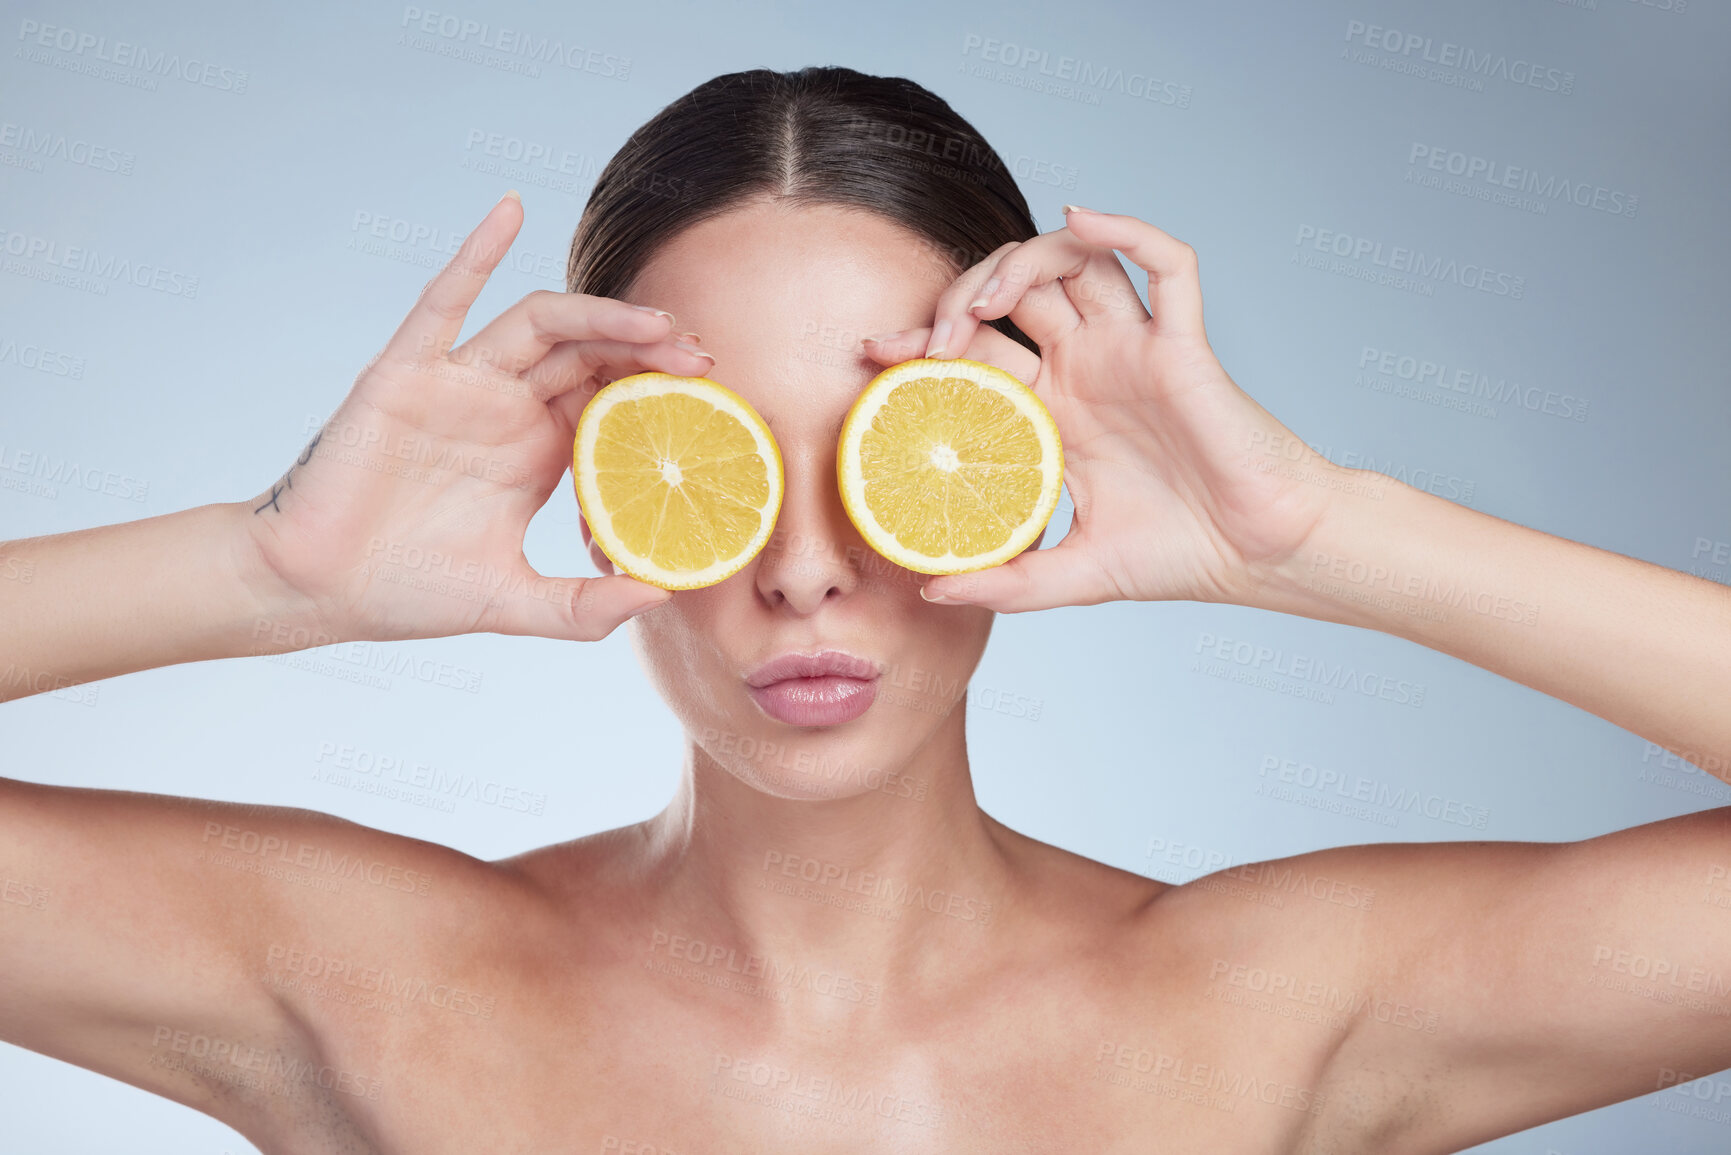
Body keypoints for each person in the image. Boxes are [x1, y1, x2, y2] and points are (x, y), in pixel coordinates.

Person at [2, 65, 1727, 1154]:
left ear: (1024, 462)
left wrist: (1325, 534)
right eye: (717, 460)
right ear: (598, 477)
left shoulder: (1268, 1005)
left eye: (892, 456)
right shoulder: (375, 982)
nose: (808, 568)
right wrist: (269, 569)